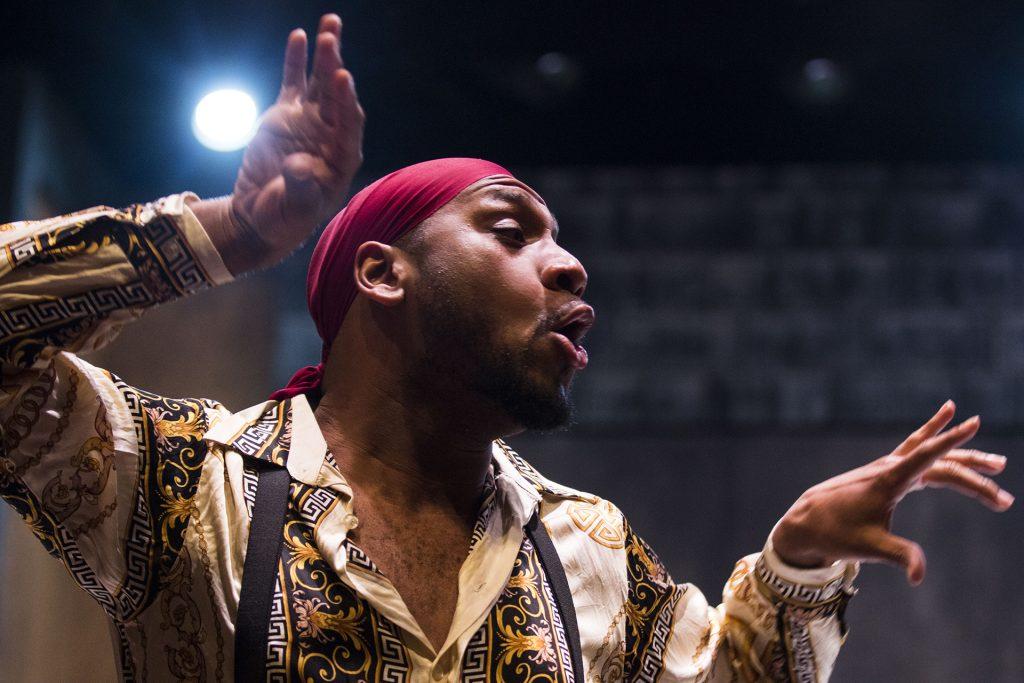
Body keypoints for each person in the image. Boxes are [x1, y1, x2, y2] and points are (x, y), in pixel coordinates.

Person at [0, 13, 1013, 683]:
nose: (571, 267)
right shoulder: (184, 480)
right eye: (511, 228)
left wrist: (798, 556)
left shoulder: (590, 547)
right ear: (381, 273)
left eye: (564, 242)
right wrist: (228, 234)